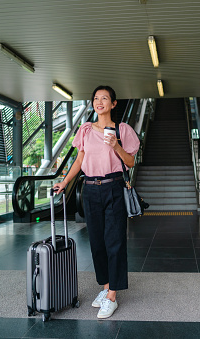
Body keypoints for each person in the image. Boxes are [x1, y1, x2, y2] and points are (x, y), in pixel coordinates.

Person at [53, 85, 140, 319]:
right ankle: (104, 287)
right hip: (90, 189)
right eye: (95, 98)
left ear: (113, 104)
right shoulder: (86, 129)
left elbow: (130, 162)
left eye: (105, 98)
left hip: (114, 187)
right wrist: (65, 182)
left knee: (115, 241)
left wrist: (116, 146)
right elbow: (80, 159)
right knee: (97, 243)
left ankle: (112, 295)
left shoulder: (123, 130)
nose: (99, 101)